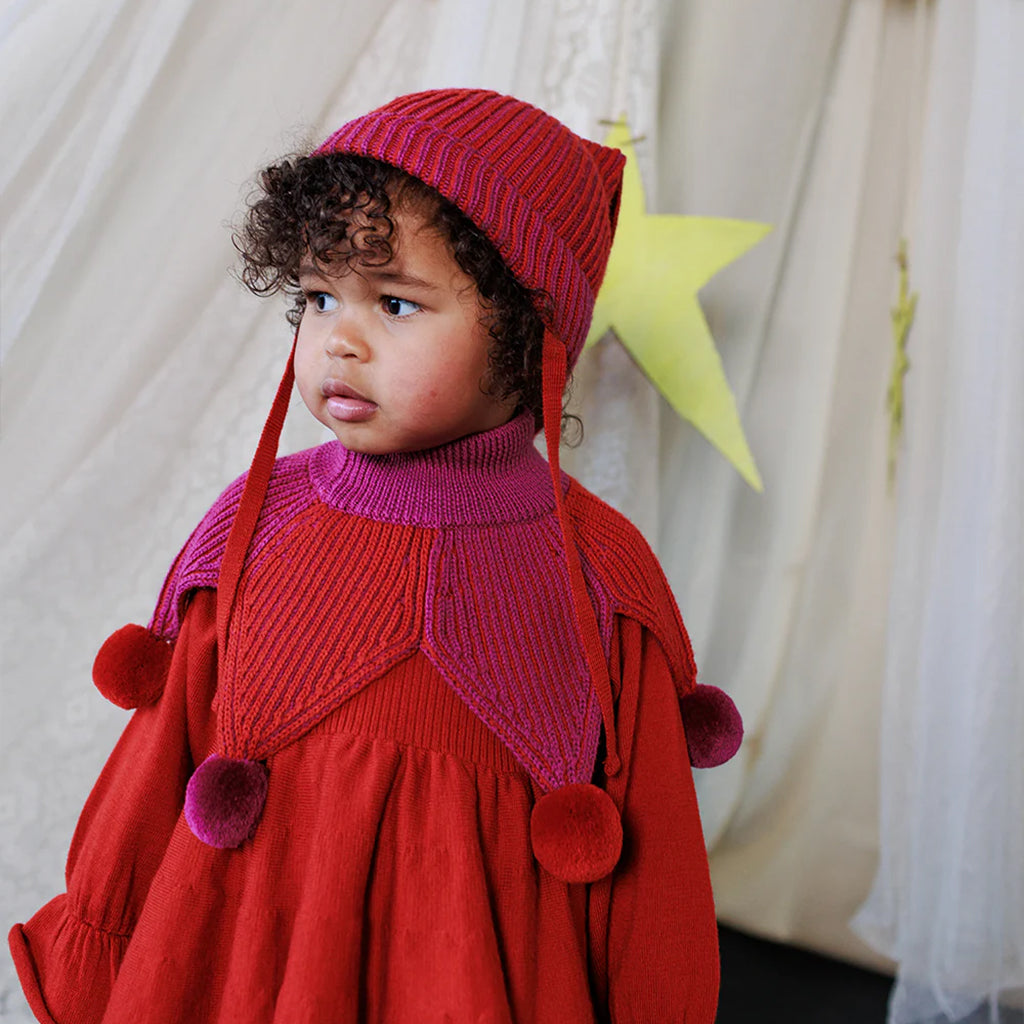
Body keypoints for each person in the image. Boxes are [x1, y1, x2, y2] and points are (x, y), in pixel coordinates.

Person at [8, 88, 742, 1023]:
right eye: (319, 298)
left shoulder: (596, 575)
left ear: (526, 329)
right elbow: (154, 769)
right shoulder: (257, 523)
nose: (339, 342)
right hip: (250, 978)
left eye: (395, 302)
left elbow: (657, 871)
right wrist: (102, 959)